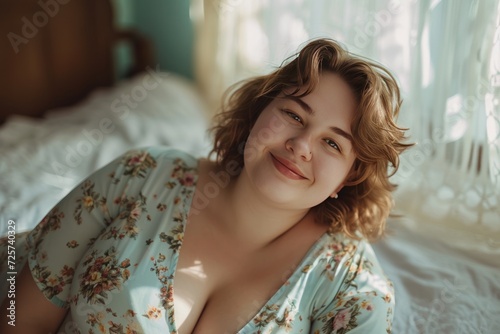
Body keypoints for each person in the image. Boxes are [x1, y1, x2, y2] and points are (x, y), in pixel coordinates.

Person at [1, 38, 411, 333]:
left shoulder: (351, 284)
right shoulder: (143, 175)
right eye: (294, 114)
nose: (300, 146)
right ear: (257, 111)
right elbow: (21, 317)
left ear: (350, 175)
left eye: (332, 143)